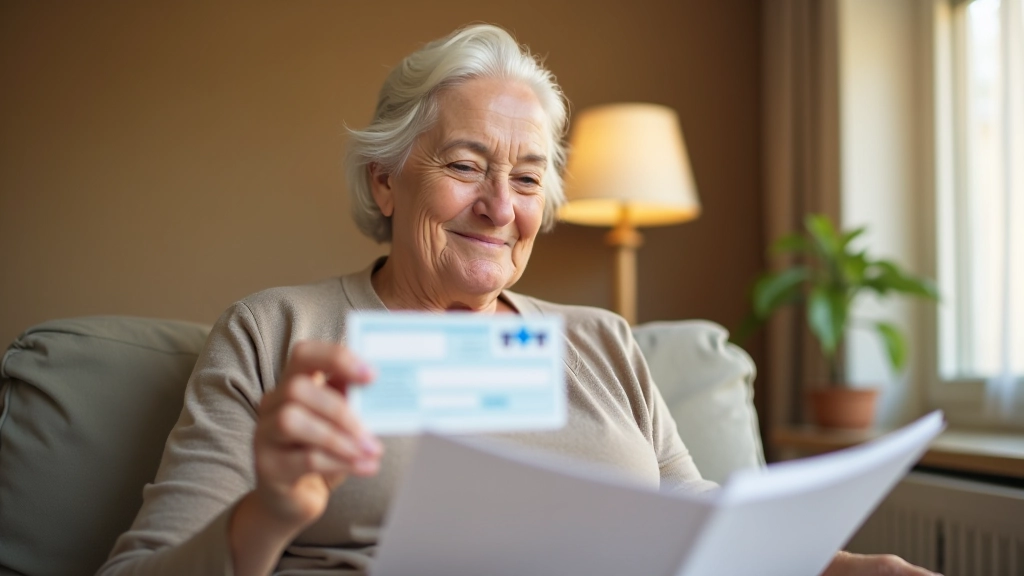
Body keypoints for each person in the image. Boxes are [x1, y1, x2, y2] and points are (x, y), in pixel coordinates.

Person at [98, 24, 938, 576]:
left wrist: (844, 567)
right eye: (466, 166)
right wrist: (269, 512)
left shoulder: (602, 340)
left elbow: (698, 524)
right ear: (385, 181)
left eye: (528, 179)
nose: (501, 207)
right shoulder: (278, 332)